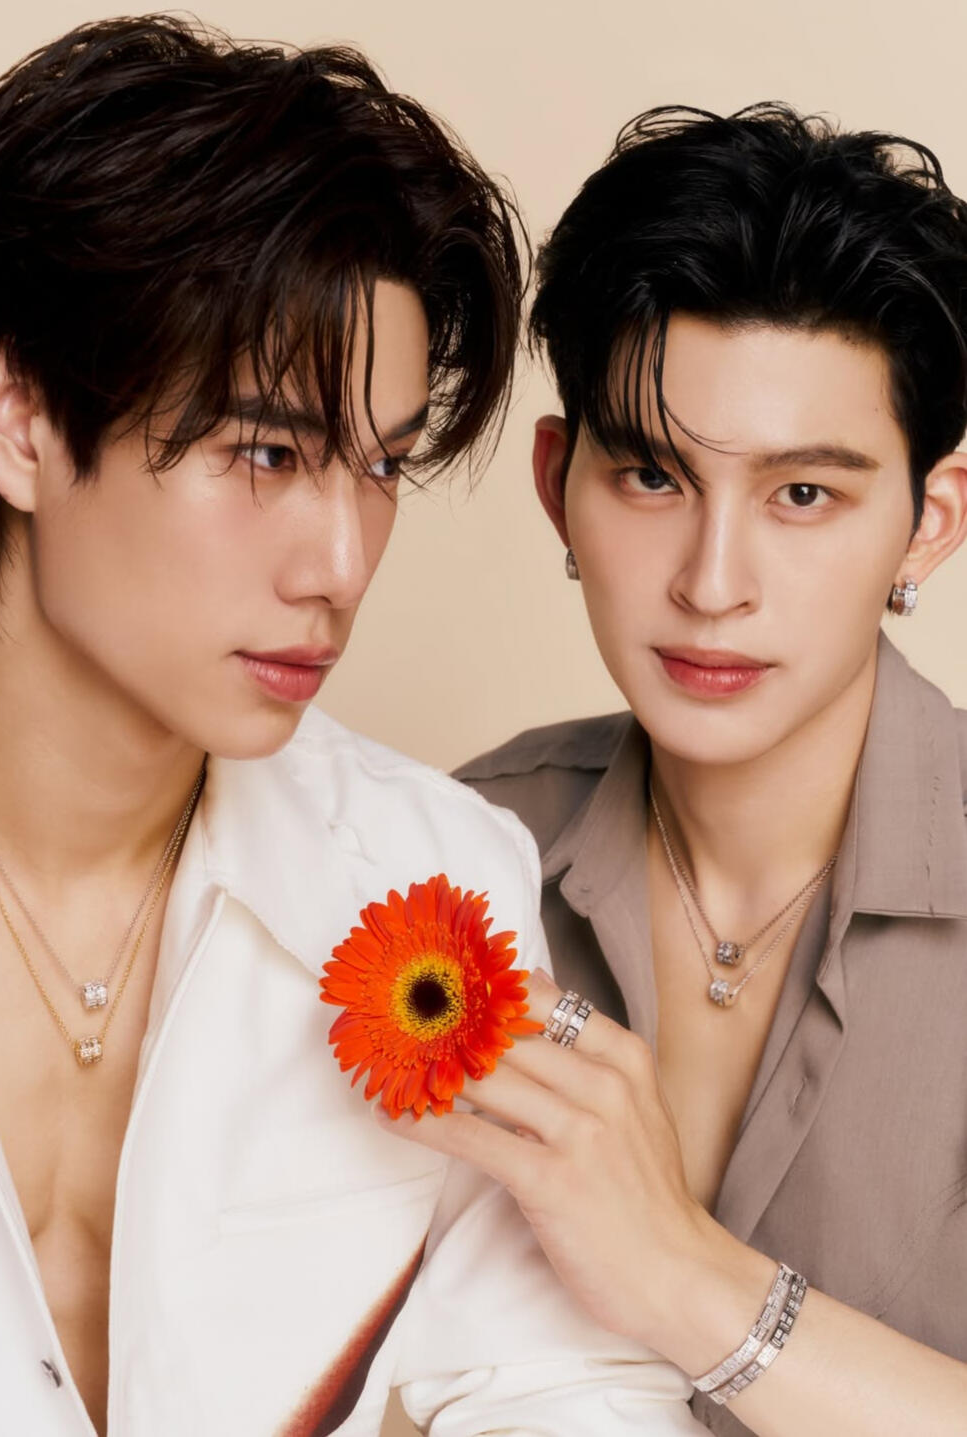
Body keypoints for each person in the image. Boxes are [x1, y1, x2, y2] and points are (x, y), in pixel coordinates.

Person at [0, 21, 704, 1437]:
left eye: (380, 466)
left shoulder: (431, 876)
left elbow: (570, 1393)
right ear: (17, 415)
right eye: (265, 452)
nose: (341, 562)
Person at [398, 106, 967, 1434]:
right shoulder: (441, 861)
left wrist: (681, 1279)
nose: (712, 584)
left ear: (927, 525)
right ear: (558, 484)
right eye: (652, 476)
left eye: (803, 495)